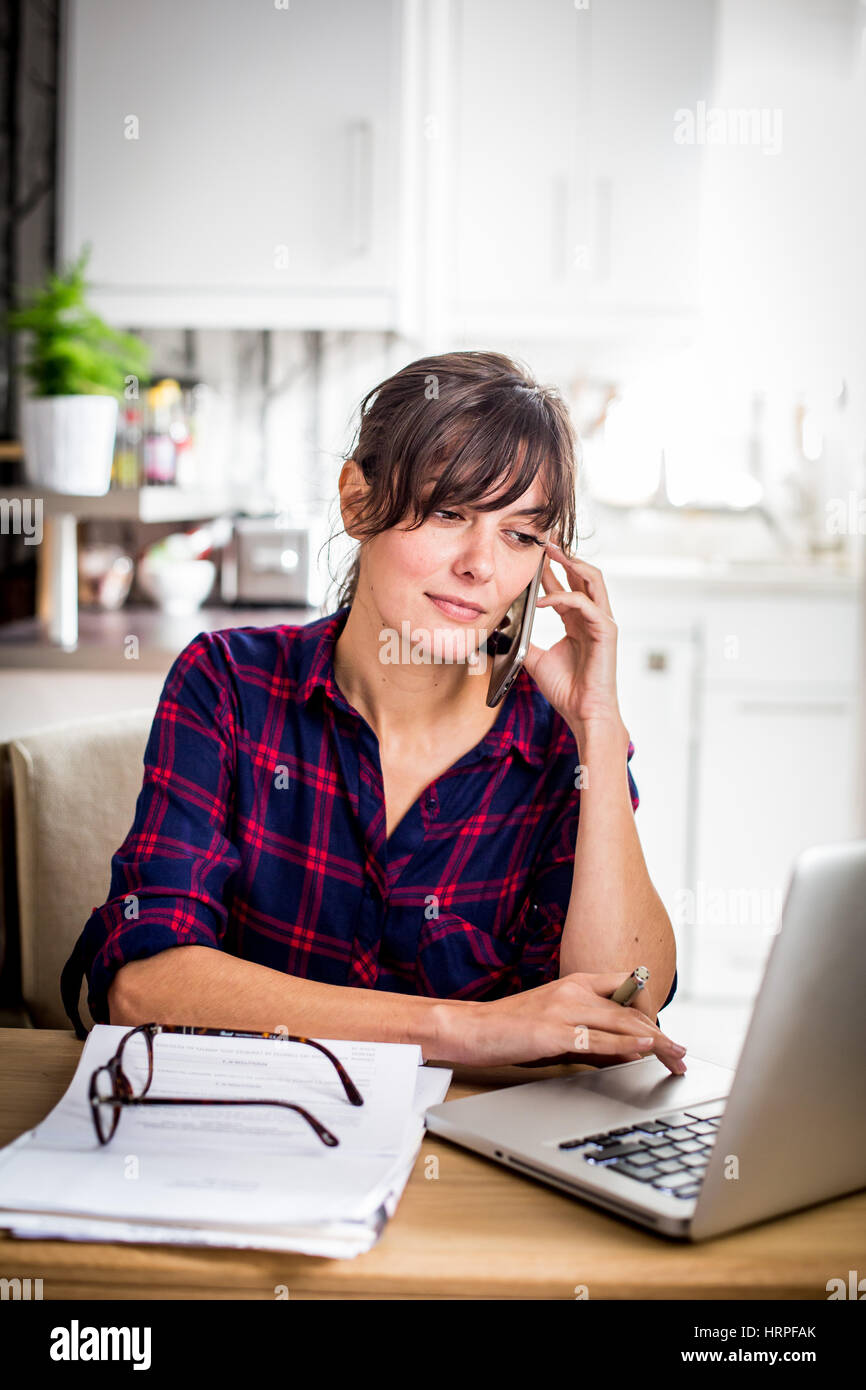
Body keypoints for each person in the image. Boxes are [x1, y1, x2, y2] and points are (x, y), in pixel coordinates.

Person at [61, 349, 684, 1073]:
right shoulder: (228, 685)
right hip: (252, 1150)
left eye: (518, 534)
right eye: (449, 512)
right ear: (358, 501)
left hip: (478, 1165)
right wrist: (468, 1030)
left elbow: (621, 1012)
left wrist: (599, 731)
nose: (481, 565)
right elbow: (144, 986)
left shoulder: (558, 744)